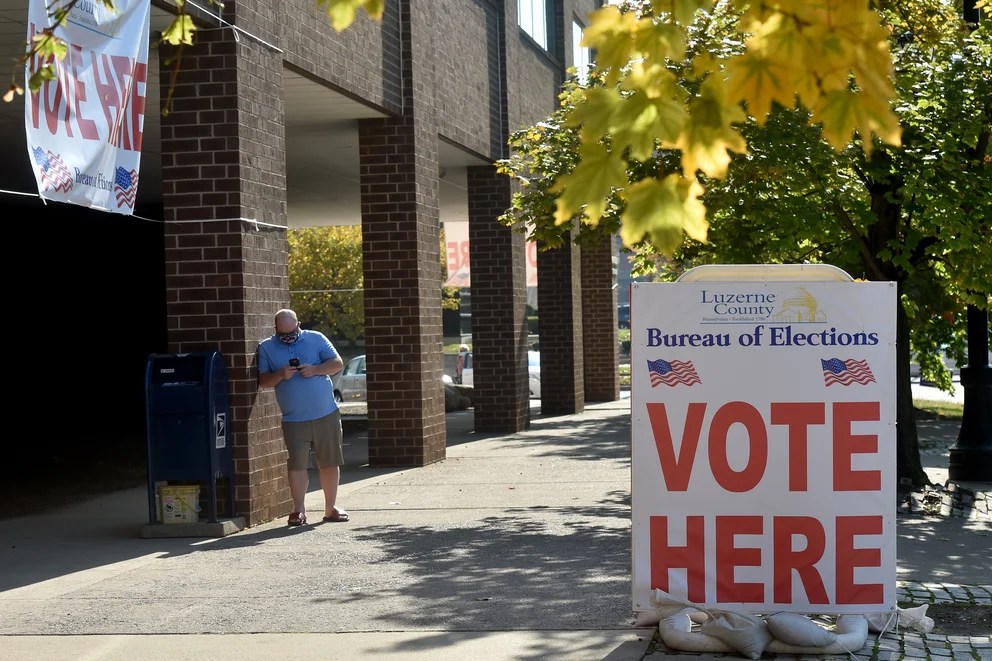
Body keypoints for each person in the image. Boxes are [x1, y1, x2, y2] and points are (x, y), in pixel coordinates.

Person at [257, 309, 349, 526]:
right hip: (293, 419)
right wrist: (280, 374)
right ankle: (298, 510)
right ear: (275, 330)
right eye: (283, 336)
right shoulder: (267, 347)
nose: (288, 339)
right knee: (297, 464)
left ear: (299, 324)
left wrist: (316, 369)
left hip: (325, 412)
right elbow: (263, 381)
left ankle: (331, 508)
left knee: (329, 460)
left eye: (292, 333)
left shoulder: (316, 338)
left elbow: (337, 363)